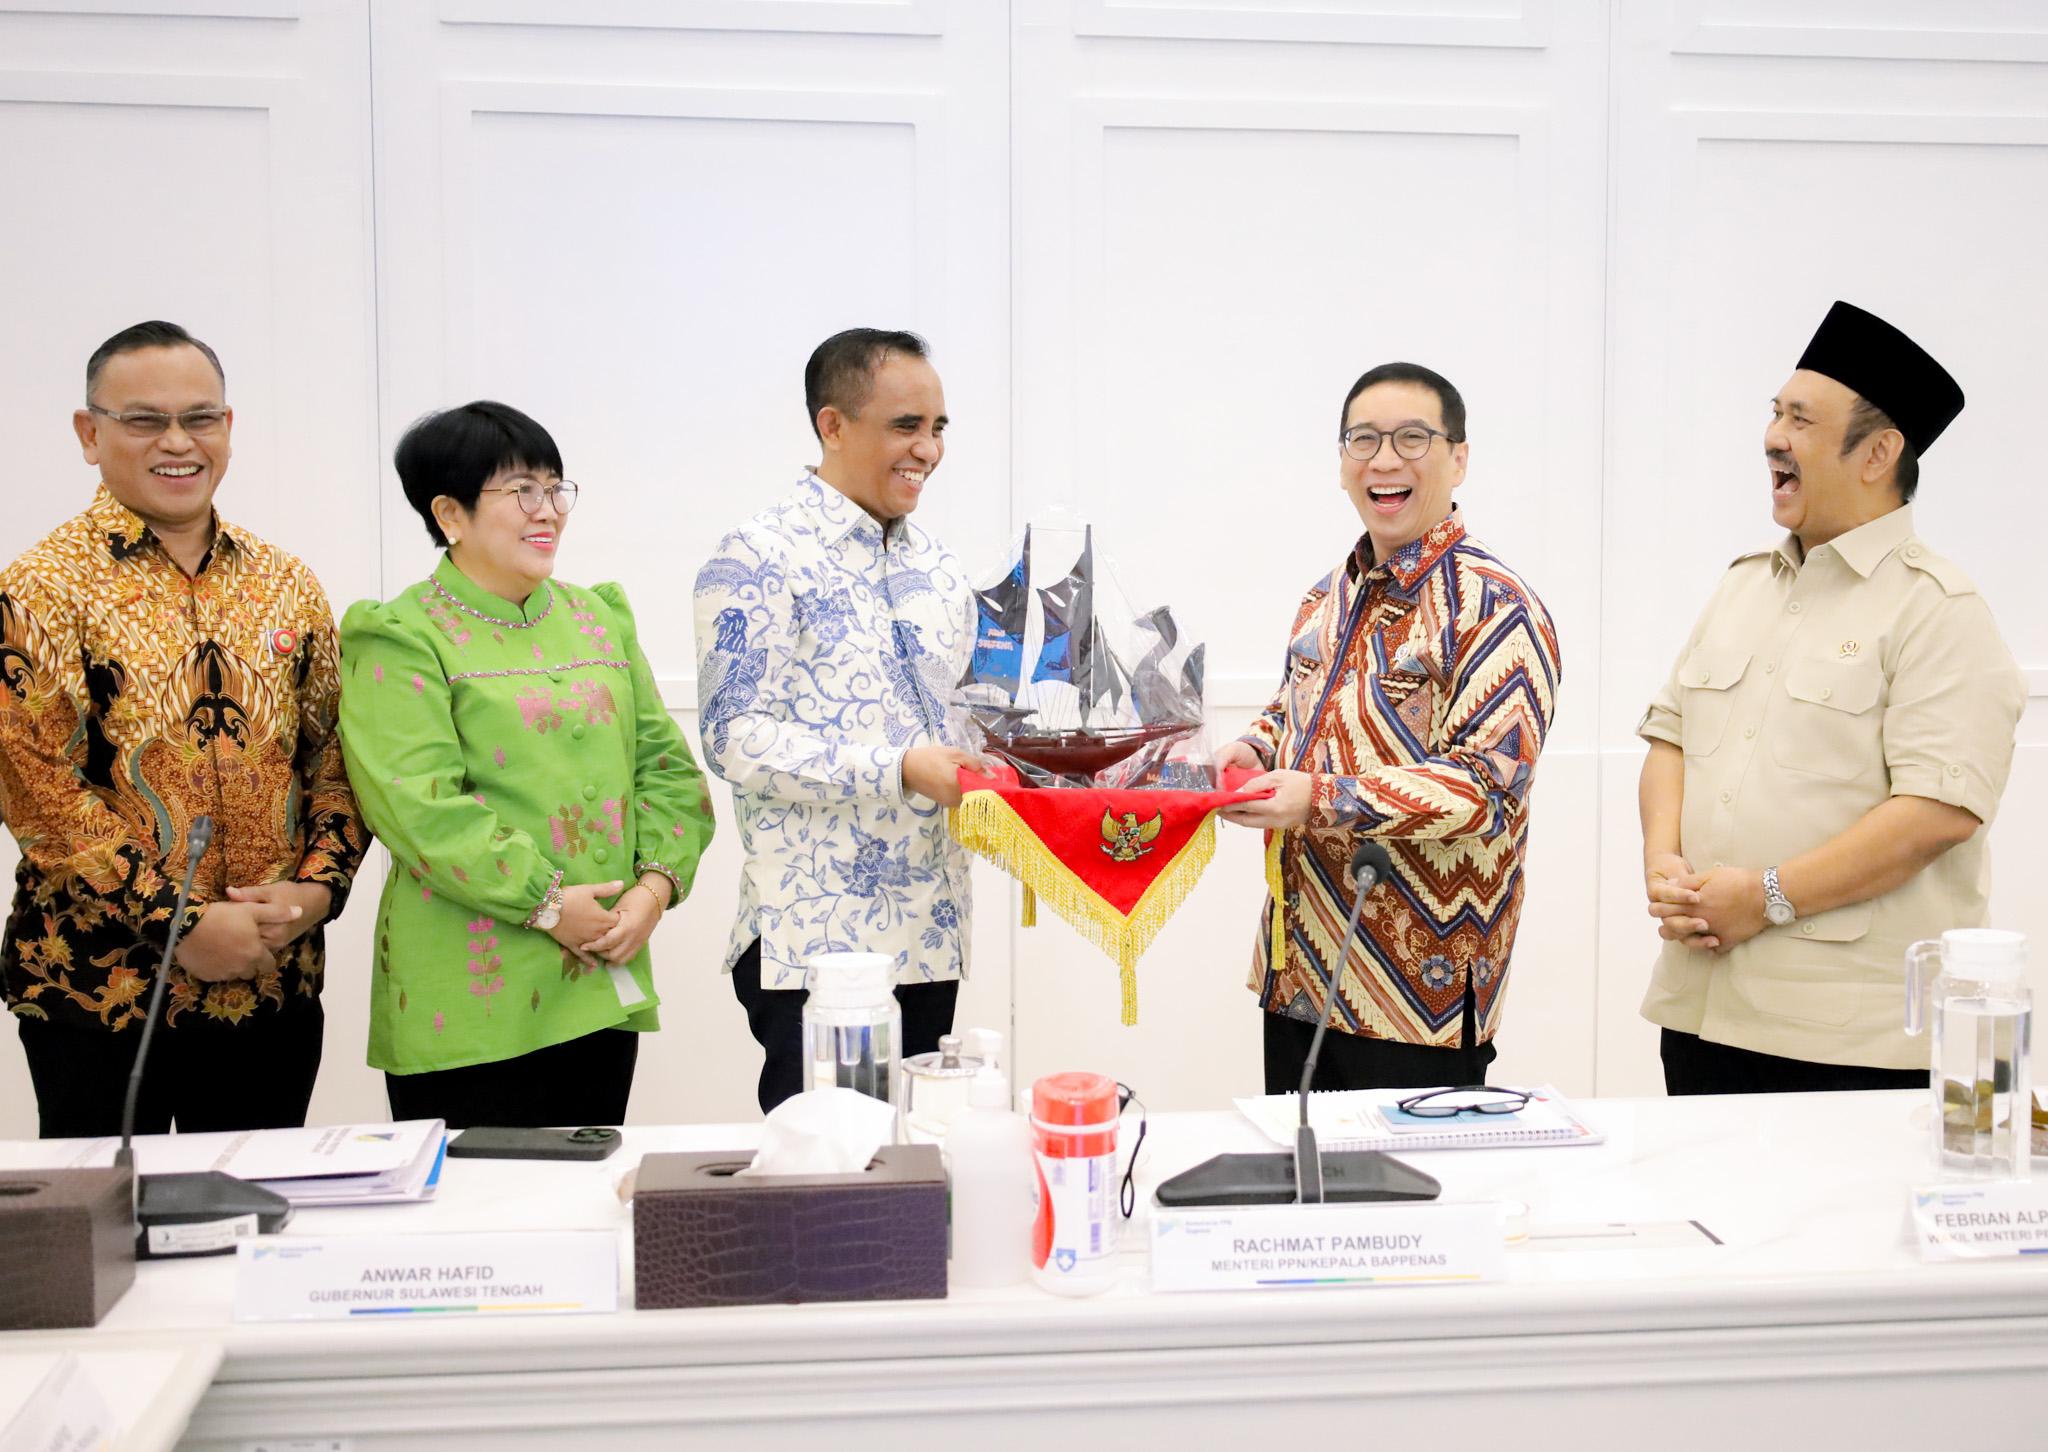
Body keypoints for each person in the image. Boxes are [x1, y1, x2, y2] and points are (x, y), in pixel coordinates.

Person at [1638, 301, 2025, 1095]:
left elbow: (1938, 814)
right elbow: (1670, 736)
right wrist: (1663, 866)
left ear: (1878, 452)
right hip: (1703, 1008)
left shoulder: (1938, 608)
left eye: (1801, 420)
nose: (1774, 436)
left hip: (1850, 1040)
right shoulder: (1744, 584)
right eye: (1776, 412)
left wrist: (1765, 898)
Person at [0, 320, 366, 1137]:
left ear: (227, 427)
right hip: (101, 993)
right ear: (89, 434)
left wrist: (317, 890)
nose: (177, 442)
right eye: (144, 420)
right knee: (106, 1213)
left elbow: (336, 758)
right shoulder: (39, 588)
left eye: (199, 418)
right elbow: (40, 792)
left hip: (272, 986)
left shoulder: (287, 583)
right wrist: (181, 924)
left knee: (259, 1209)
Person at [338, 402, 715, 1128]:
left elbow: (666, 768)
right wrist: (548, 903)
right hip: (468, 993)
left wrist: (653, 892)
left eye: (555, 487)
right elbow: (418, 807)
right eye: (521, 491)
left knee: (586, 1186)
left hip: (600, 976)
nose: (547, 510)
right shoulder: (400, 635)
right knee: (473, 1198)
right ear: (449, 513)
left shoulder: (596, 617)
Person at [1219, 362, 1561, 1093]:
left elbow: (1485, 787)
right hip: (1299, 970)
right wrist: (1252, 748)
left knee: (1404, 1174)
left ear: (1458, 458)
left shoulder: (1496, 608)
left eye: (1411, 438)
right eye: (1364, 439)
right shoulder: (1327, 595)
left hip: (1415, 1002)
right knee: (1295, 1165)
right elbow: (1294, 709)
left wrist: (1316, 799)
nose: (1383, 460)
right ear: (1342, 460)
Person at [694, 328, 982, 1113]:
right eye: (906, 426)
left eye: (939, 428)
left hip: (930, 936)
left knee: (915, 1161)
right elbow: (732, 736)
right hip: (813, 947)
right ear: (833, 425)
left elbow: (973, 725)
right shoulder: (758, 554)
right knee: (828, 1168)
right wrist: (899, 768)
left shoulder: (940, 568)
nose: (928, 449)